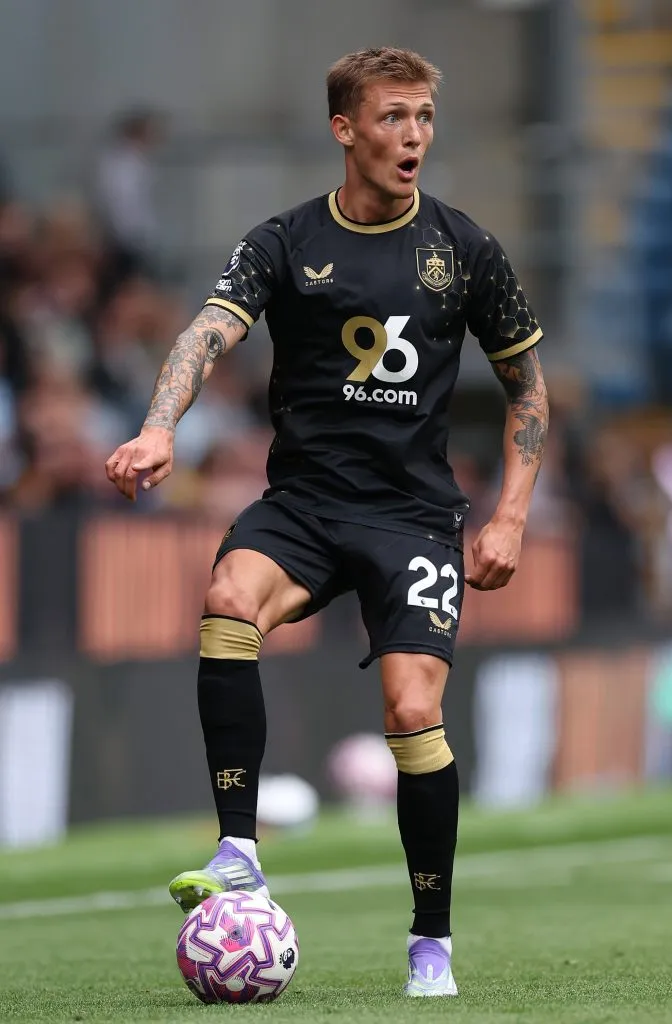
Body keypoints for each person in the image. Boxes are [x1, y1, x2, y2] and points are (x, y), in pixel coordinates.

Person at [105, 47, 548, 997]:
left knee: (412, 711)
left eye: (424, 116)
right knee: (227, 596)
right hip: (304, 505)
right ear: (344, 128)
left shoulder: (465, 249)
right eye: (392, 118)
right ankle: (238, 849)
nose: (413, 136)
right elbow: (206, 331)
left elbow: (526, 390)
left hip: (412, 518)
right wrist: (155, 428)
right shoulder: (283, 239)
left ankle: (430, 940)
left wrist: (509, 515)